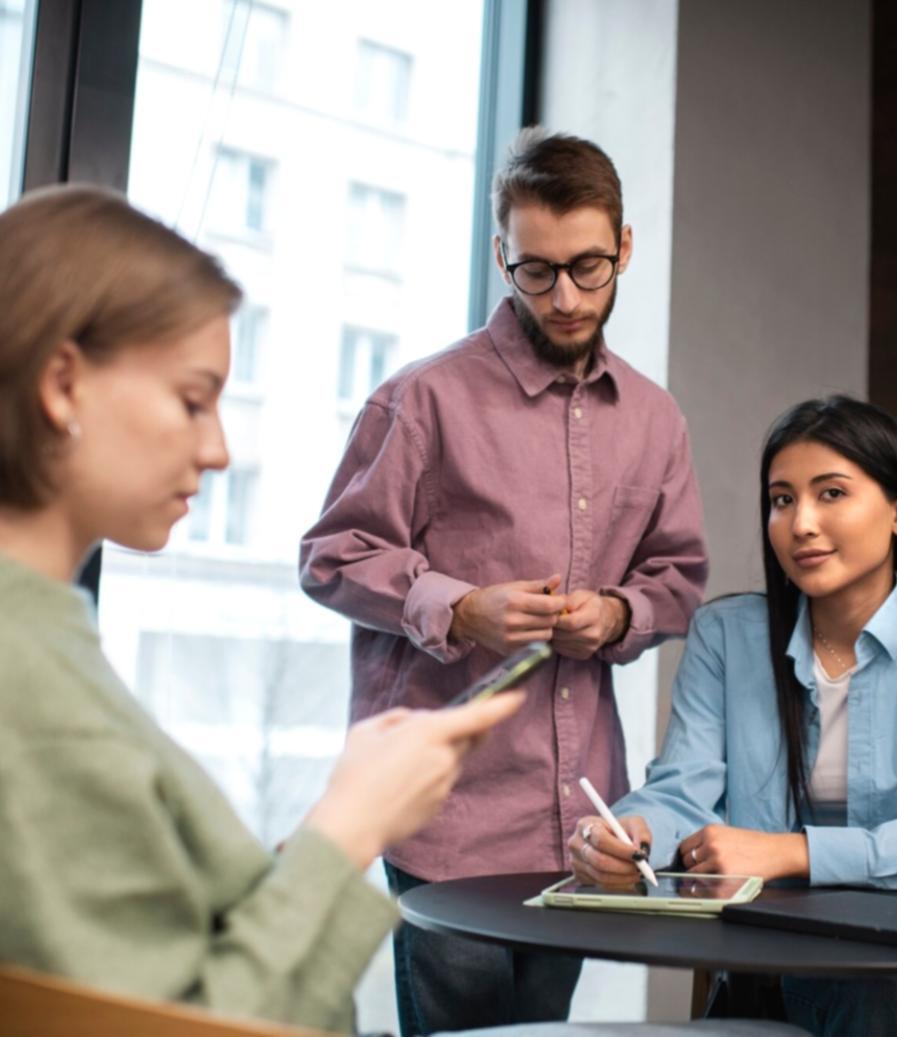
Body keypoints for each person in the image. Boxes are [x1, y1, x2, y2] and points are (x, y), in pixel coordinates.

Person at [0, 186, 526, 1035]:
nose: (218, 448)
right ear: (63, 383)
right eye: (193, 399)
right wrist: (352, 824)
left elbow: (123, 955)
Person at [300, 128, 708, 1035]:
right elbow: (330, 556)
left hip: (579, 821)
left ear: (624, 248)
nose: (564, 296)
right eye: (536, 271)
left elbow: (678, 579)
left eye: (588, 267)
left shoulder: (654, 418)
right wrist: (462, 606)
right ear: (501, 255)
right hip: (447, 814)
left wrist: (614, 614)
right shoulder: (423, 399)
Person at [566, 397, 897, 1037]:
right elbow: (684, 794)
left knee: (880, 1000)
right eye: (782, 500)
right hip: (779, 961)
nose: (801, 522)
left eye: (831, 493)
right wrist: (632, 832)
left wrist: (792, 853)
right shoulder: (726, 637)